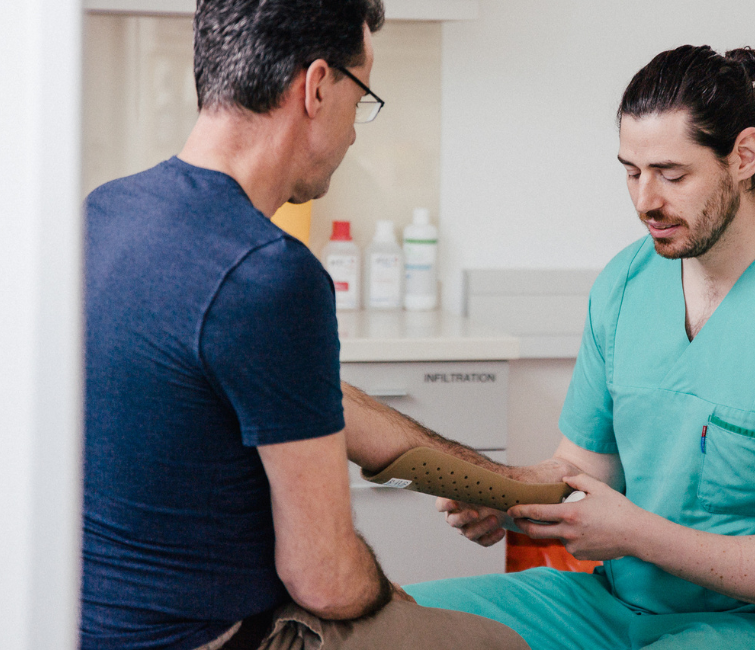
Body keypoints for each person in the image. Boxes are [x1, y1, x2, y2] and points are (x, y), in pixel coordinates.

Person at [407, 45, 755, 650]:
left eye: (672, 175)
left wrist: (638, 535)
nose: (645, 200)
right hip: (621, 607)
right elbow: (581, 470)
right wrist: (508, 495)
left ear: (743, 157)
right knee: (397, 626)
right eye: (631, 171)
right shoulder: (625, 286)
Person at [80, 1, 527, 649]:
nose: (353, 132)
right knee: (504, 643)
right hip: (211, 637)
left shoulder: (107, 211)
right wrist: (390, 597)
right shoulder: (268, 272)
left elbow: (322, 406)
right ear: (317, 86)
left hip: (89, 628)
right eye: (361, 96)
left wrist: (497, 483)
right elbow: (326, 581)